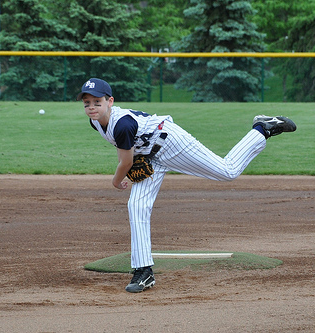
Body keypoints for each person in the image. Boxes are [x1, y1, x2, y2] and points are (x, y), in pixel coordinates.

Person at [76, 78, 297, 293]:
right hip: (150, 157)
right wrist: (131, 170)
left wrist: (117, 180)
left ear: (110, 101)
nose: (92, 107)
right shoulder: (96, 122)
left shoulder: (121, 124)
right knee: (137, 206)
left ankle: (262, 128)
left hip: (171, 142)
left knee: (227, 171)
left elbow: (125, 162)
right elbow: (127, 151)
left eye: (98, 102)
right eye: (87, 103)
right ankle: (143, 271)